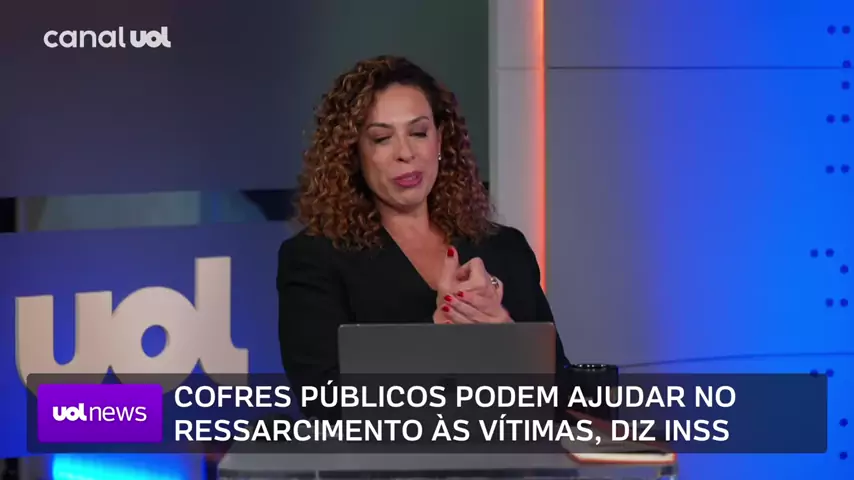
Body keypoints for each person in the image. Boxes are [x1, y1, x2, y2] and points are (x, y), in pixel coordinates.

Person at [278, 55, 571, 420]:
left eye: (418, 133)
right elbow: (326, 404)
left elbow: (566, 397)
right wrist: (438, 336)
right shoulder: (314, 259)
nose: (406, 153)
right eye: (382, 138)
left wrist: (504, 334)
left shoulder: (504, 247)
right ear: (353, 154)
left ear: (440, 141)